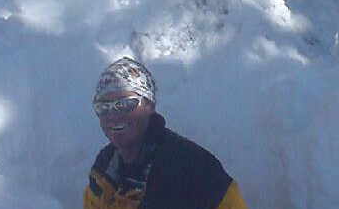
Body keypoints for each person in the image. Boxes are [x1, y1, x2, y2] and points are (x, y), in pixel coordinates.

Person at [84, 57, 247, 208]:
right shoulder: (105, 166)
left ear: (150, 105)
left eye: (125, 104)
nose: (113, 115)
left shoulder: (191, 167)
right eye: (103, 107)